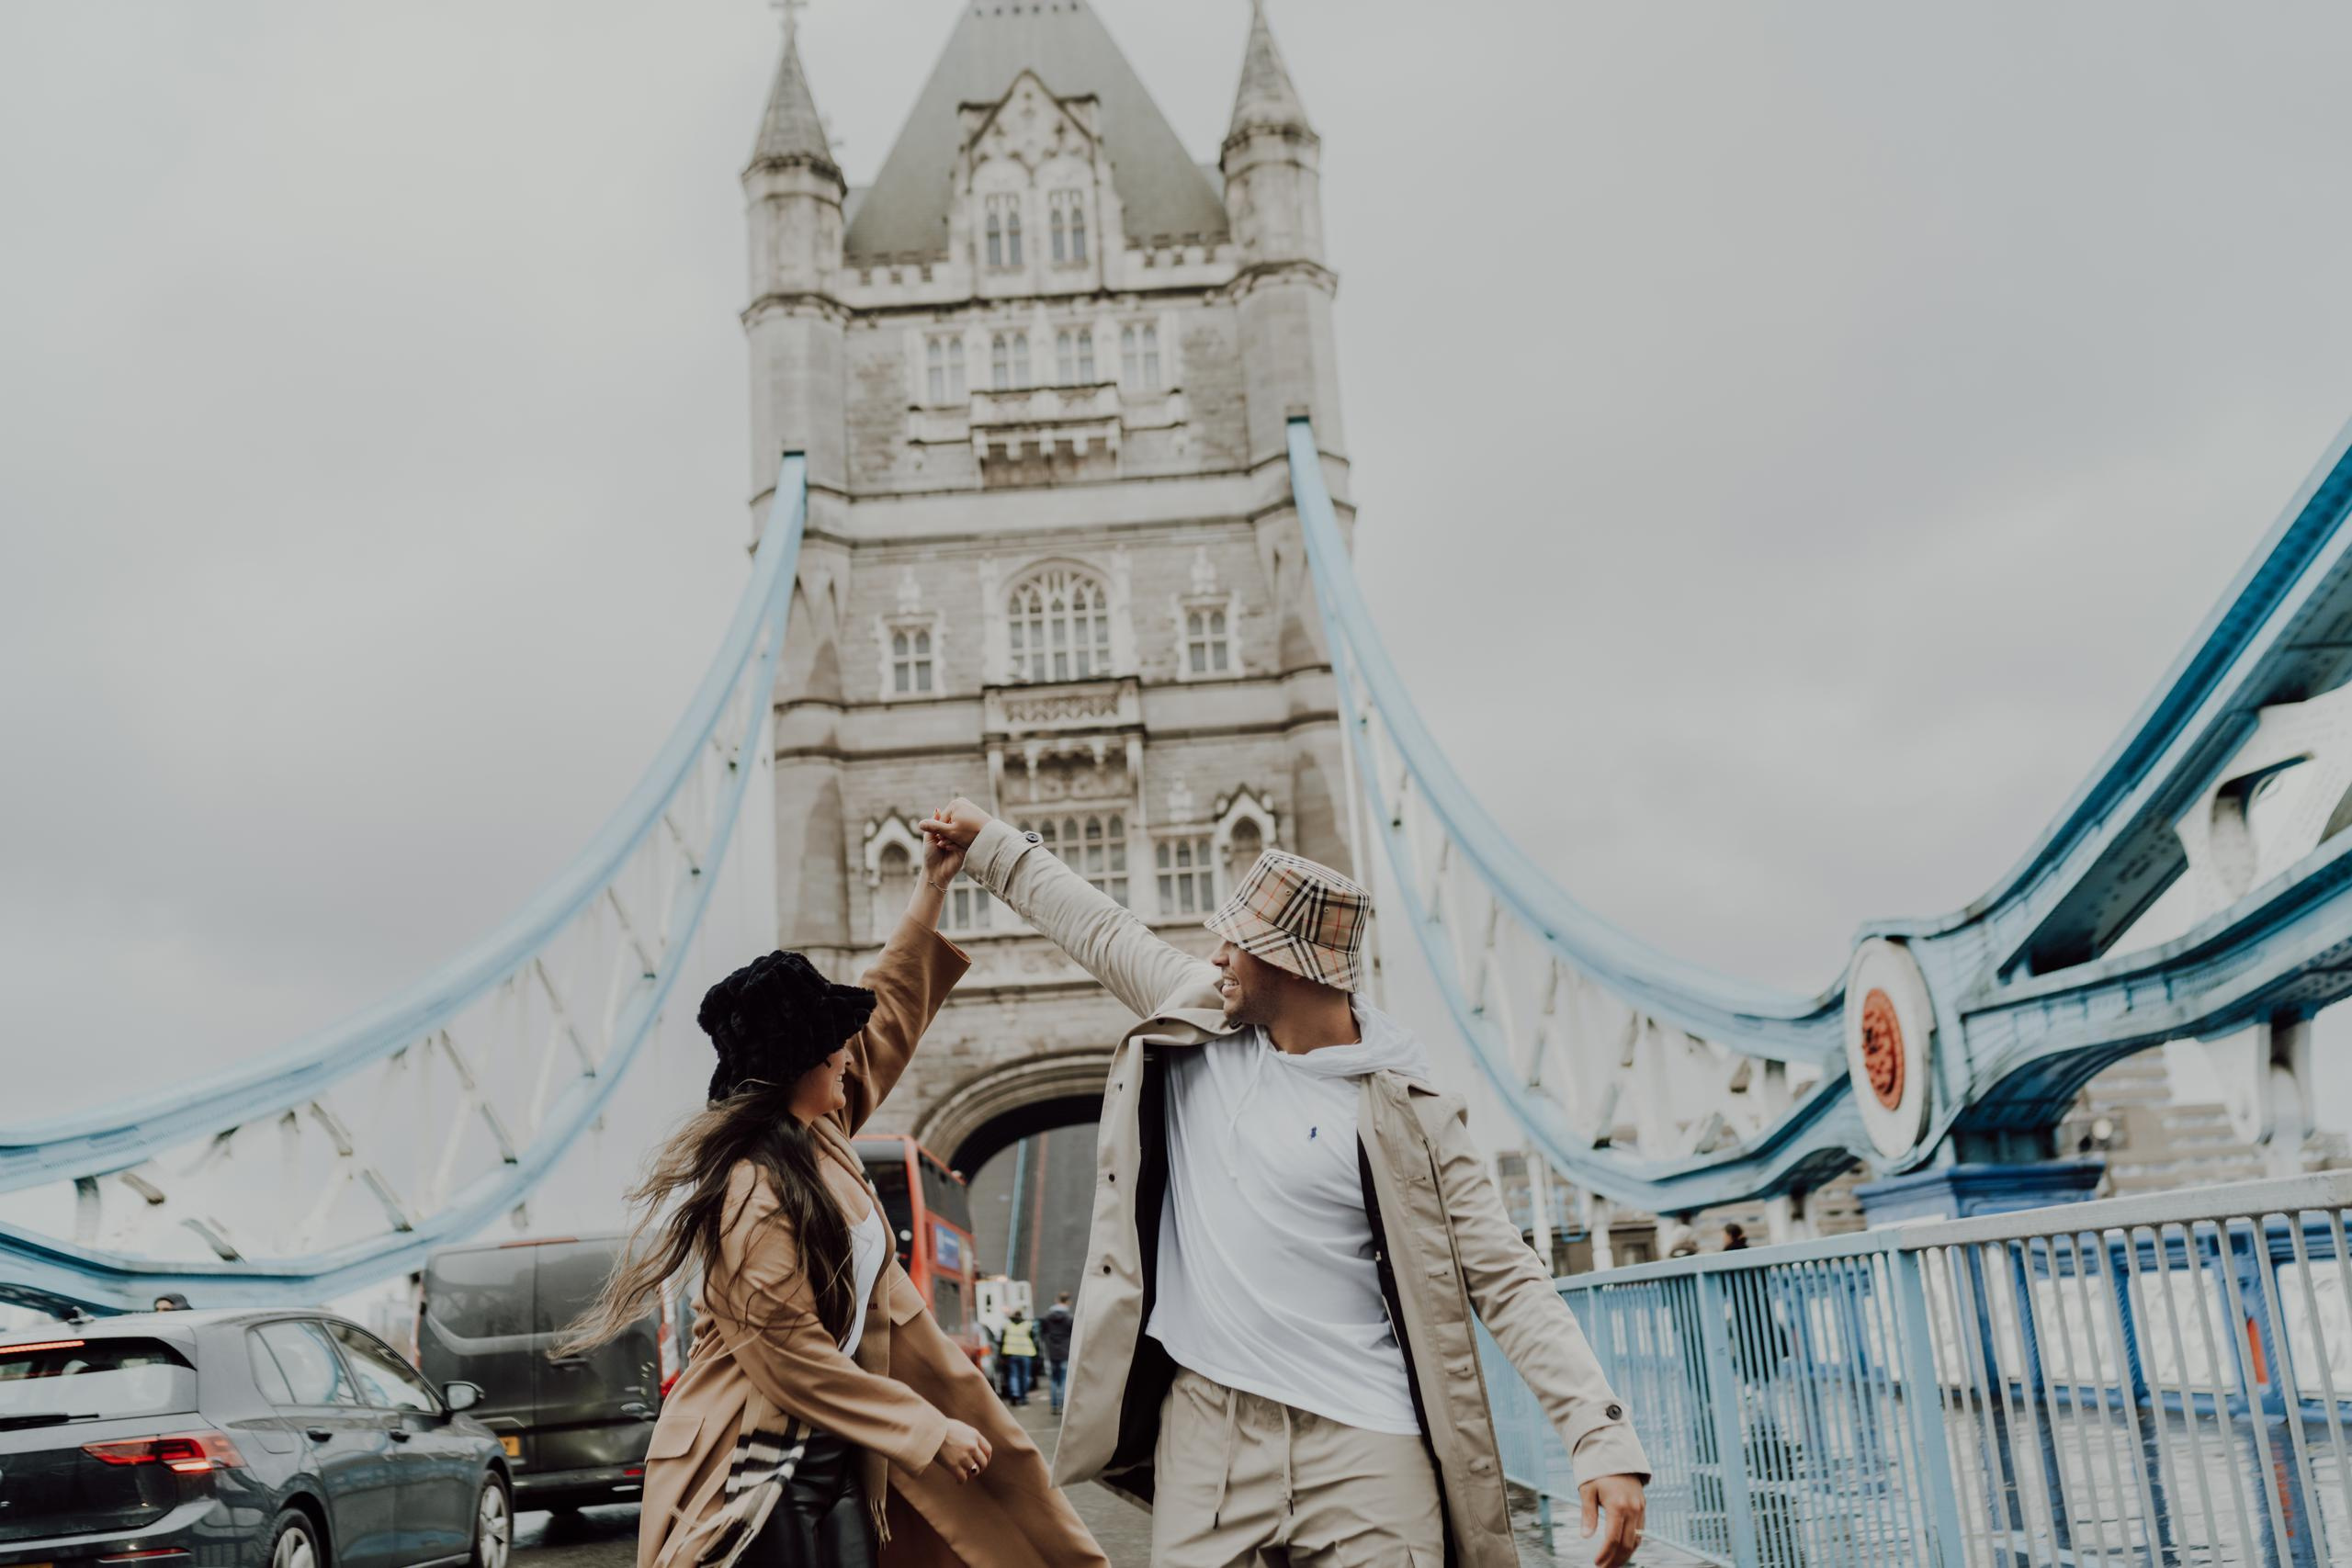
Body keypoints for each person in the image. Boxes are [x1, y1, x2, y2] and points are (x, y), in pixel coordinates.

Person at [922, 800, 1651, 1568]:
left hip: (1366, 1443)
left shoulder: (1413, 1115)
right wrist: (989, 843)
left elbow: (1506, 1275)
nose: (1216, 956)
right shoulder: (1199, 1019)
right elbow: (1100, 927)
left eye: (1235, 941)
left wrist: (1598, 1436)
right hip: (1209, 1434)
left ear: (1289, 963)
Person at [565, 823, 1107, 1568]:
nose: (851, 1053)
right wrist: (928, 1429)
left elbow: (888, 1012)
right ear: (801, 1066)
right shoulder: (752, 1190)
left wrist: (933, 884)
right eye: (835, 1045)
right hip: (752, 1467)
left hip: (831, 1453)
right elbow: (795, 1359)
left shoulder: (819, 1131)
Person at [1036, 1294, 1074, 1416]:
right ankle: (1062, 1406)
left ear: (1057, 1300)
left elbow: (1042, 1334)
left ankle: (1054, 1406)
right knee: (1063, 1380)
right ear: (1068, 1302)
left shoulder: (1046, 1318)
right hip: (1065, 1353)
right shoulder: (1070, 1319)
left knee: (1053, 1380)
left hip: (1051, 1353)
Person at [997, 1311, 1036, 1407]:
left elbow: (1001, 1340)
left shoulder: (1007, 1325)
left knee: (1013, 1375)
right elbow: (1034, 1338)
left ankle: (1015, 1393)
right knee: (1025, 1376)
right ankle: (1023, 1397)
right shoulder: (1028, 1324)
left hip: (1011, 1353)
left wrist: (1001, 1354)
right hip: (1026, 1353)